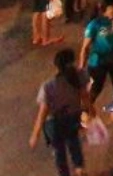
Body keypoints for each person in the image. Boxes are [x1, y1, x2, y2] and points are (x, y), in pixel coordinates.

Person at [30, 48, 89, 176]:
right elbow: (85, 96)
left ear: (56, 65)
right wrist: (91, 112)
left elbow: (43, 113)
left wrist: (35, 134)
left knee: (59, 152)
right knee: (74, 142)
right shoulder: (80, 76)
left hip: (55, 124)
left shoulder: (48, 86)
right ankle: (80, 169)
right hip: (73, 117)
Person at [81, 0, 113, 103]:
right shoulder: (95, 24)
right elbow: (85, 47)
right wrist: (82, 65)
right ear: (109, 7)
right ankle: (85, 108)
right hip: (98, 59)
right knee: (96, 87)